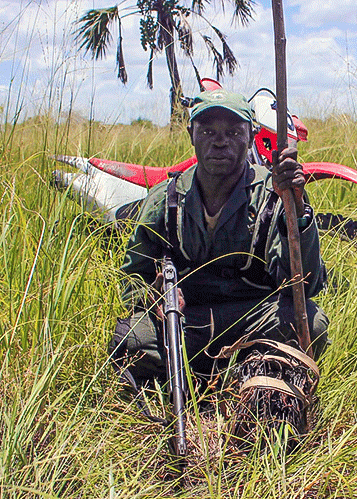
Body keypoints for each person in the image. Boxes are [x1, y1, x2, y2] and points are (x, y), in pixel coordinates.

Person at [108, 89, 327, 389]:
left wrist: (297, 210)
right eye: (208, 131)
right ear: (191, 135)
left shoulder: (276, 192)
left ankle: (252, 374)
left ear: (251, 137)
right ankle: (220, 376)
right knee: (129, 340)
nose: (220, 141)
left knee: (311, 323)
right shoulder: (165, 199)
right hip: (187, 322)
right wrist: (154, 296)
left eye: (233, 132)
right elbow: (132, 279)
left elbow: (304, 286)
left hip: (254, 320)